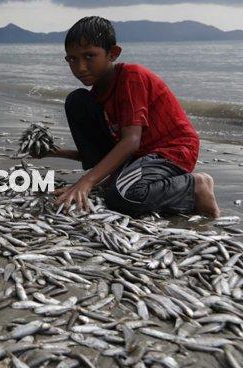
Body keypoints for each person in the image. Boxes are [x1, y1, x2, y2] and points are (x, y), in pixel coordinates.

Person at [41, 16, 219, 218]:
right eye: (72, 59)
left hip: (171, 151)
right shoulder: (96, 94)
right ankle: (120, 176)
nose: (80, 67)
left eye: (89, 56)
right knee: (76, 100)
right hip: (138, 156)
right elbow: (103, 150)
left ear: (113, 54)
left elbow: (131, 141)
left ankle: (196, 186)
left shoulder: (131, 77)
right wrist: (52, 152)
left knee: (123, 198)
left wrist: (86, 181)